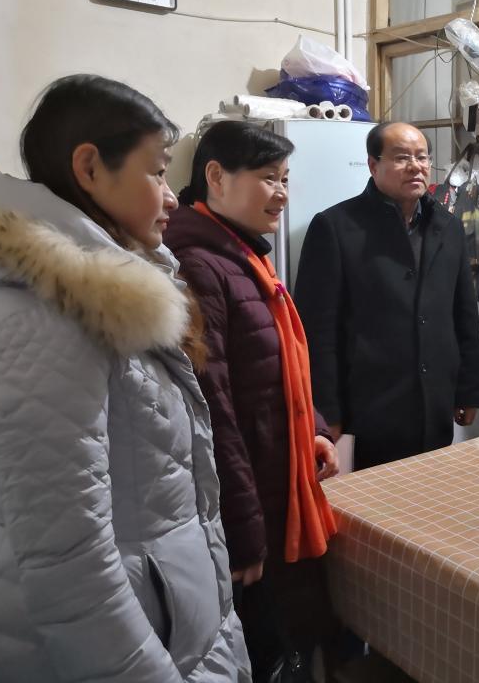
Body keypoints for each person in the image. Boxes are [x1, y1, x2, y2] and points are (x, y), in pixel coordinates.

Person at [0, 75, 250, 681]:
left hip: (163, 616)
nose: (171, 196)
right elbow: (69, 564)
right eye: (157, 173)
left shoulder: (113, 291)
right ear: (90, 168)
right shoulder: (45, 316)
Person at [164, 120, 340, 682]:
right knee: (268, 647)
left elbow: (278, 368)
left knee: (295, 629)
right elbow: (212, 408)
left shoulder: (244, 255)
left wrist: (311, 429)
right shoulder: (198, 264)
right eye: (269, 178)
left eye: (285, 179)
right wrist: (242, 531)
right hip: (250, 503)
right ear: (216, 177)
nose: (283, 193)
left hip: (276, 477)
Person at [294, 121, 479, 469]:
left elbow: (464, 313)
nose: (415, 166)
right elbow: (316, 332)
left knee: (432, 489)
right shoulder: (335, 227)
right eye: (401, 158)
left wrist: (469, 389)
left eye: (422, 157)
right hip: (369, 407)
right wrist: (325, 412)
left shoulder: (448, 227)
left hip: (434, 403)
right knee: (370, 496)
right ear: (373, 164)